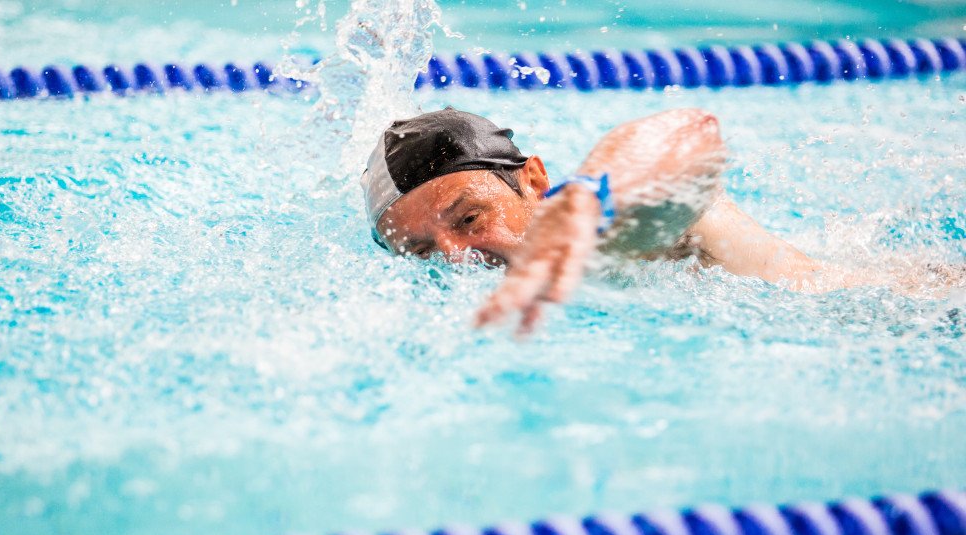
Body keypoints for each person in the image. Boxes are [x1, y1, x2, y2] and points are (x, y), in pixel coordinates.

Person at [358, 107, 892, 334]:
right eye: (423, 250)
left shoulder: (609, 228)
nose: (456, 255)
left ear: (534, 182)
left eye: (470, 217)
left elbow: (692, 134)